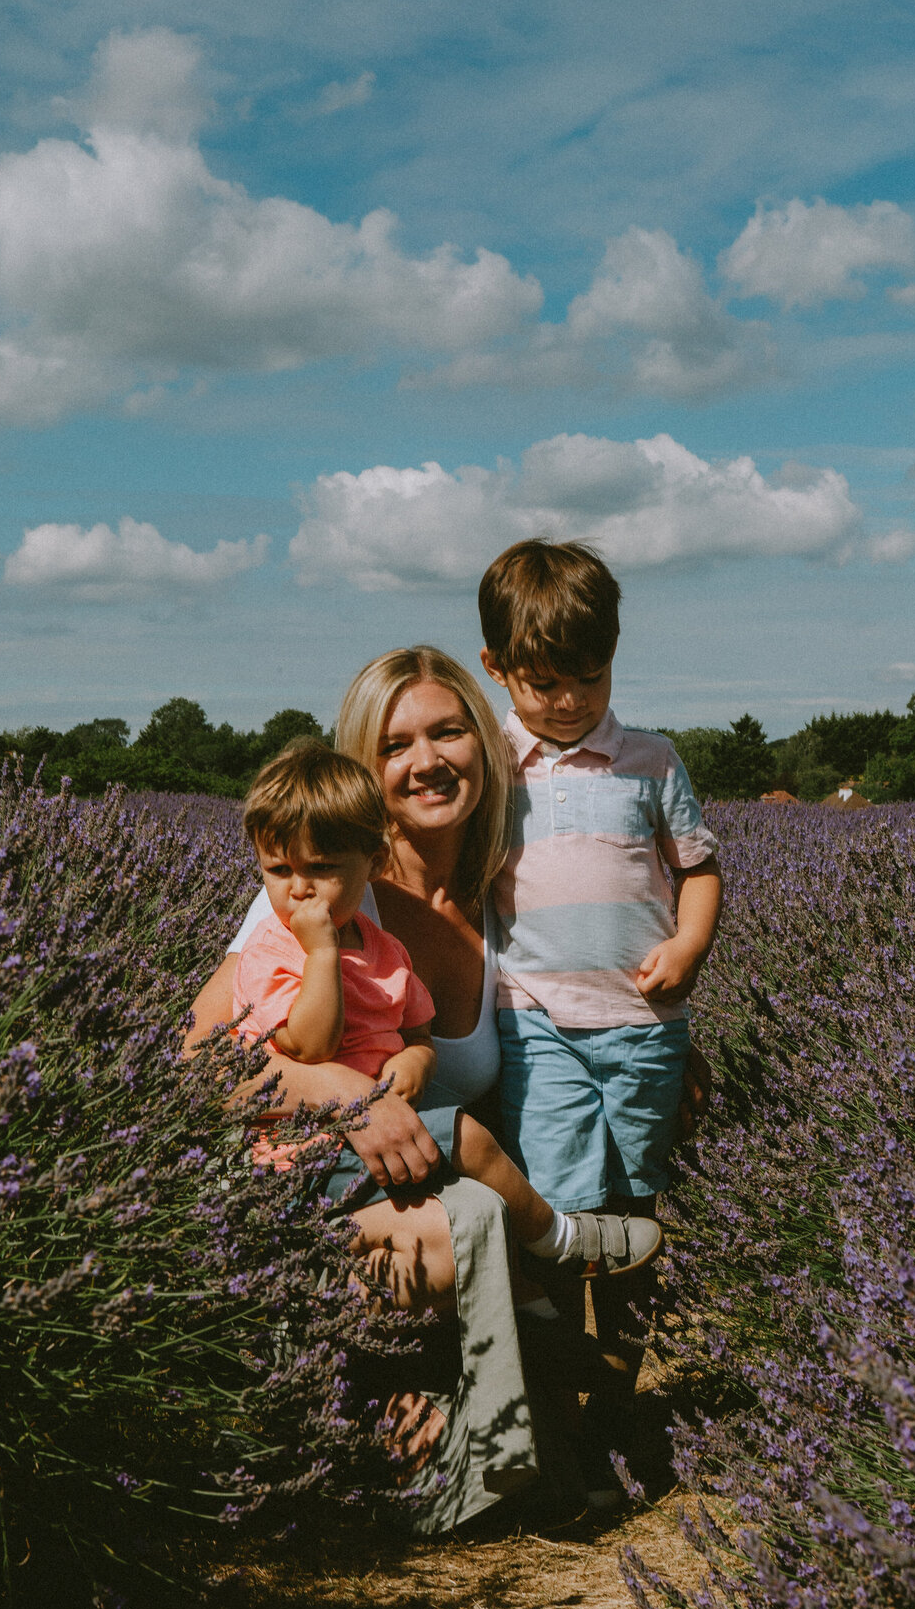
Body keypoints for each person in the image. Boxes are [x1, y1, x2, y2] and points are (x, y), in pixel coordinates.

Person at [478, 538, 724, 1498]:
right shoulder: (494, 765)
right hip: (535, 1017)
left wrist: (690, 947)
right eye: (543, 682)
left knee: (634, 1212)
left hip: (644, 1023)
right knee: (555, 1216)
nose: (569, 700)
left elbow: (697, 869)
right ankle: (561, 1404)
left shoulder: (651, 760)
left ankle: (619, 1392)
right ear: (498, 668)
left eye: (588, 676)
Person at [234, 738, 662, 1281]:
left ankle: (531, 1292)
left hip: (383, 1137)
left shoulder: (385, 949)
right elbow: (309, 1046)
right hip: (302, 1151)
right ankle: (561, 1242)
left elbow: (418, 1032)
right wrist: (321, 954)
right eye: (277, 870)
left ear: (373, 862)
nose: (299, 890)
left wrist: (416, 1062)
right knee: (468, 1140)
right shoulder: (272, 950)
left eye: (321, 867)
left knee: (476, 1183)